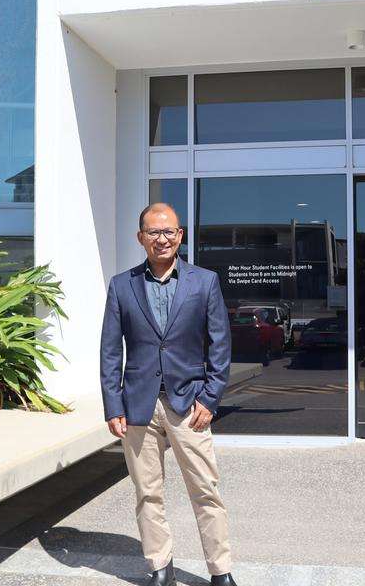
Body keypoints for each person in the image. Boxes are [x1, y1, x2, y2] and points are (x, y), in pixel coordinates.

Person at [100, 202, 237, 586]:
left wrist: (210, 400)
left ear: (180, 236)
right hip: (138, 406)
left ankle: (220, 570)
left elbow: (220, 346)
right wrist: (114, 404)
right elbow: (111, 351)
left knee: (206, 491)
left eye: (168, 232)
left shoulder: (204, 282)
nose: (161, 239)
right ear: (140, 237)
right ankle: (159, 566)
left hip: (189, 405)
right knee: (148, 494)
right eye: (153, 232)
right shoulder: (121, 285)